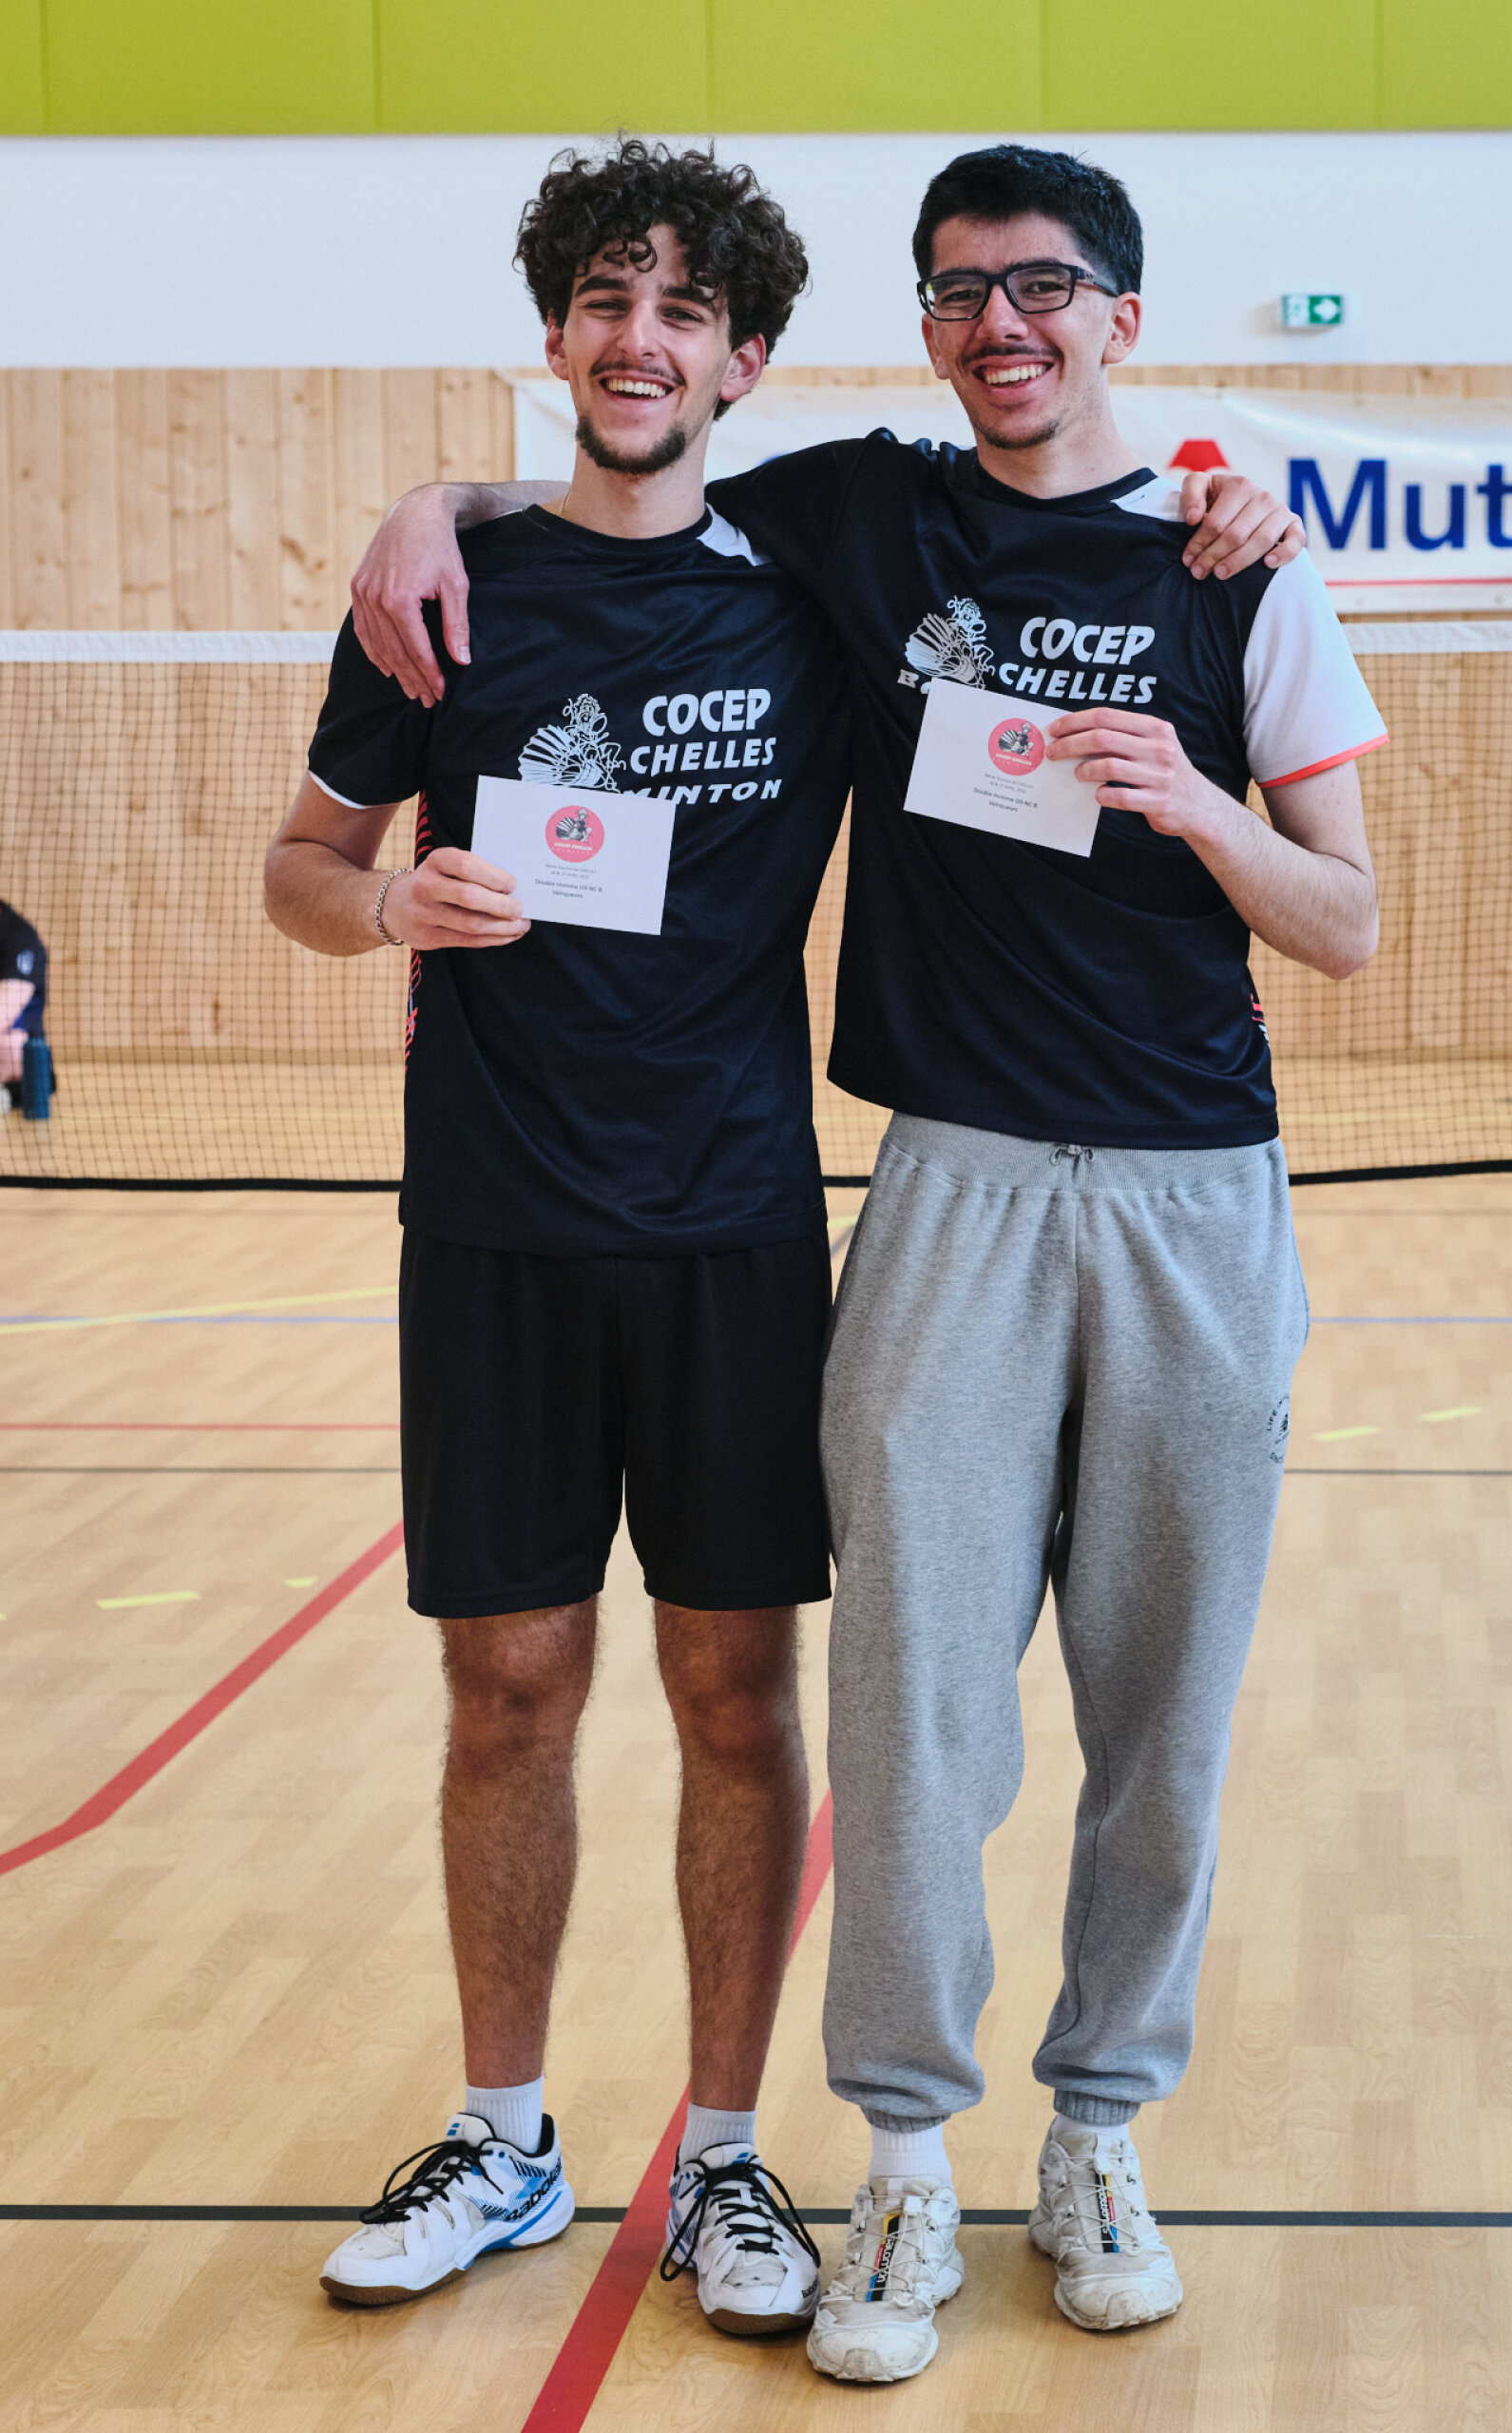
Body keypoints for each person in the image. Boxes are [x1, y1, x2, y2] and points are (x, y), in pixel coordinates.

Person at [347, 144, 1332, 2384]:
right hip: (891, 1187)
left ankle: (1046, 2133)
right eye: (964, 289)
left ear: (1121, 314)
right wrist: (433, 499)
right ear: (916, 324)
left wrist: (1200, 770)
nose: (1005, 321)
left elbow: (1350, 912)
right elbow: (617, 488)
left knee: (1110, 1712)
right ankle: (859, 2154)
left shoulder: (1214, 562)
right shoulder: (860, 523)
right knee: (880, 1711)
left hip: (1107, 1193)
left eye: (1046, 286)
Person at [265, 142, 850, 2335]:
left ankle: (725, 2156)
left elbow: (1031, 507)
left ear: (745, 355)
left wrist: (1229, 514)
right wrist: (386, 902)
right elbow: (301, 862)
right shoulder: (442, 596)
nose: (642, 338)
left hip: (732, 1230)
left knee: (732, 1695)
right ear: (556, 331)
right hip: (496, 1228)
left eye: (686, 307)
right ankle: (505, 2135)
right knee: (506, 1688)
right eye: (610, 297)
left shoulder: (811, 590)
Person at [0, 898, 48, 1108]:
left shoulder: (17, 937)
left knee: (11, 1043)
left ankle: (11, 1093)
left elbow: (4, 1013)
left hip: (20, 1048)